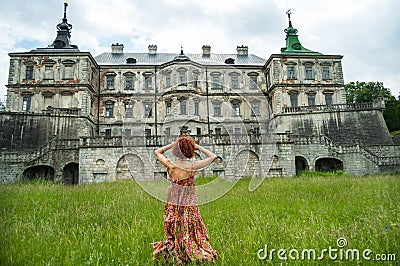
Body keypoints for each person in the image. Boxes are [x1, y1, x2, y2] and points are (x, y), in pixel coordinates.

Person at [151, 136, 220, 264]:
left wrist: (171, 145)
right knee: (190, 224)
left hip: (173, 200)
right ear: (190, 150)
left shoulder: (170, 165)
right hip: (188, 201)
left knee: (174, 223)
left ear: (176, 150)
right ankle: (189, 247)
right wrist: (198, 147)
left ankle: (177, 247)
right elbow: (212, 156)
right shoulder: (193, 166)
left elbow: (157, 152)